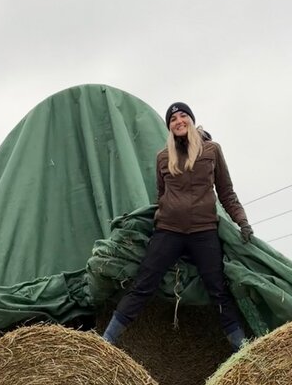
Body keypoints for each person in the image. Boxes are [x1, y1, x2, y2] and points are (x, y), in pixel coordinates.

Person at [101, 102, 253, 351]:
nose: (178, 120)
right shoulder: (163, 157)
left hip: (203, 232)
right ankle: (106, 341)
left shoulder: (211, 150)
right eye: (173, 119)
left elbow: (226, 192)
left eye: (183, 116)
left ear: (191, 120)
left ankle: (242, 349)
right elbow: (162, 196)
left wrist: (242, 221)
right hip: (169, 232)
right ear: (169, 127)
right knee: (143, 284)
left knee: (218, 290)